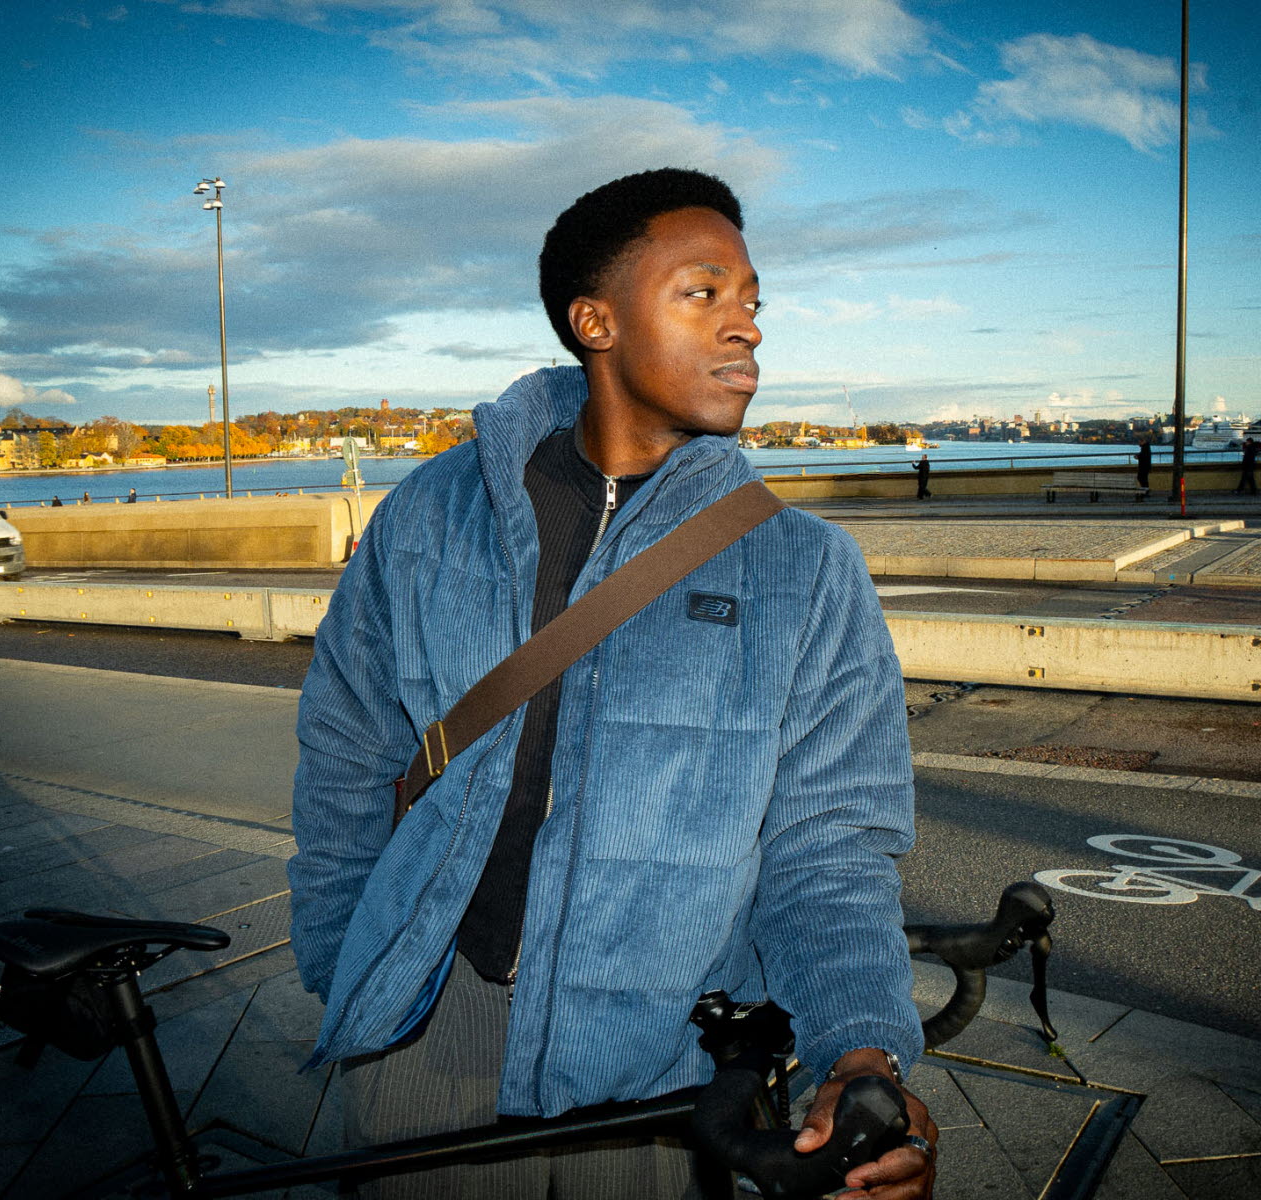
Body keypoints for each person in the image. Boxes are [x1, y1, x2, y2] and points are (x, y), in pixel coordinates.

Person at [288, 168, 934, 1200]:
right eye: (703, 293)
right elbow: (347, 751)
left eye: (753, 301)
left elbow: (832, 848)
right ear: (595, 321)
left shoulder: (804, 568)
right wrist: (343, 956)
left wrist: (857, 1053)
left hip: (663, 1066)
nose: (746, 329)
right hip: (430, 1028)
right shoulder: (428, 517)